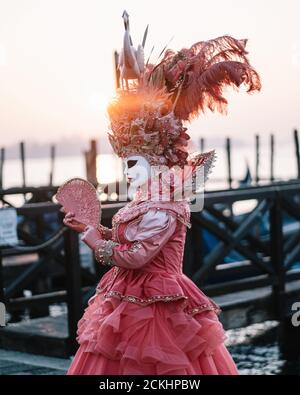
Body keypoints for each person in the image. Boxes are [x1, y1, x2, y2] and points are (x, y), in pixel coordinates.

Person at [65, 11, 261, 375]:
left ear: (155, 164)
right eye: (125, 165)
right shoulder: (144, 200)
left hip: (161, 308)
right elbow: (130, 239)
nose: (127, 173)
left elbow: (139, 255)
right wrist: (94, 229)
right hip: (125, 297)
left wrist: (95, 239)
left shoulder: (167, 204)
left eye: (133, 164)